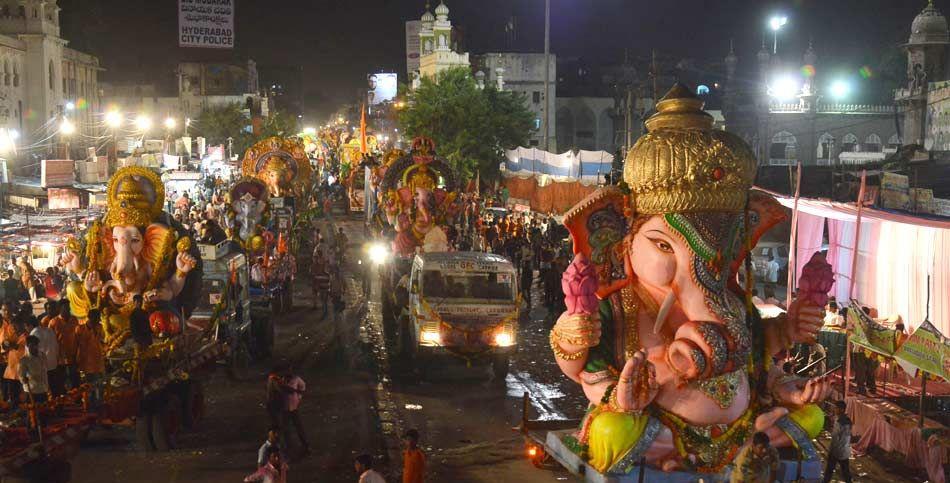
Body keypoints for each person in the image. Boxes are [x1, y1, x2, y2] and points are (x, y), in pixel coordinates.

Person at [75, 309, 105, 407]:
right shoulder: (79, 329)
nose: (99, 320)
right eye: (97, 318)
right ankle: (91, 406)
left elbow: (102, 340)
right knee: (90, 387)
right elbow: (75, 346)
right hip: (88, 364)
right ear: (90, 318)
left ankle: (99, 405)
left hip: (99, 362)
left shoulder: (100, 327)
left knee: (100, 386)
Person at [49, 300, 80, 391]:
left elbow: (78, 336)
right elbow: (51, 341)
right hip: (60, 358)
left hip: (73, 356)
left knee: (75, 380)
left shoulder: (74, 320)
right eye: (66, 307)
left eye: (69, 307)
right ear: (60, 309)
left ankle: (77, 400)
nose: (68, 309)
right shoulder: (53, 322)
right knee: (61, 381)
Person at [27, 308, 58, 397]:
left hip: (43, 366)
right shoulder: (49, 330)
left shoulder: (33, 334)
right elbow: (56, 347)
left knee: (45, 390)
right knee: (54, 388)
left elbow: (32, 353)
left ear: (28, 325)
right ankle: (57, 406)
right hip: (53, 364)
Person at [822, 400, 853, 483]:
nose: (834, 410)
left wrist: (831, 450)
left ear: (842, 409)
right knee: (846, 472)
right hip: (844, 451)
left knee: (829, 471)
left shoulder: (840, 422)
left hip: (836, 451)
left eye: (836, 408)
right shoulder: (847, 420)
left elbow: (836, 438)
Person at [18, 335, 49, 405]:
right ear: (28, 346)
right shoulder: (24, 360)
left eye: (35, 345)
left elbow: (45, 370)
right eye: (31, 345)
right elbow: (21, 377)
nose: (34, 347)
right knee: (33, 413)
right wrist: (24, 379)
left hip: (43, 389)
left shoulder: (42, 356)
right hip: (31, 391)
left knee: (45, 411)